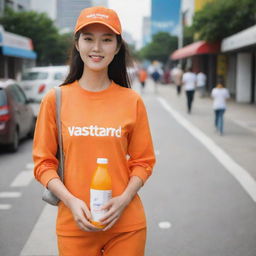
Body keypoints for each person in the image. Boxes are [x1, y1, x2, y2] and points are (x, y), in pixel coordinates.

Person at [33, 6, 155, 256]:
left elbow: (143, 161)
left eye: (106, 40)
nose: (97, 48)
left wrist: (123, 200)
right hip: (74, 226)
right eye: (88, 39)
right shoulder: (55, 99)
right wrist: (71, 201)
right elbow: (43, 163)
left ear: (118, 47)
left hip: (126, 226)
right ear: (77, 44)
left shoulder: (132, 100)